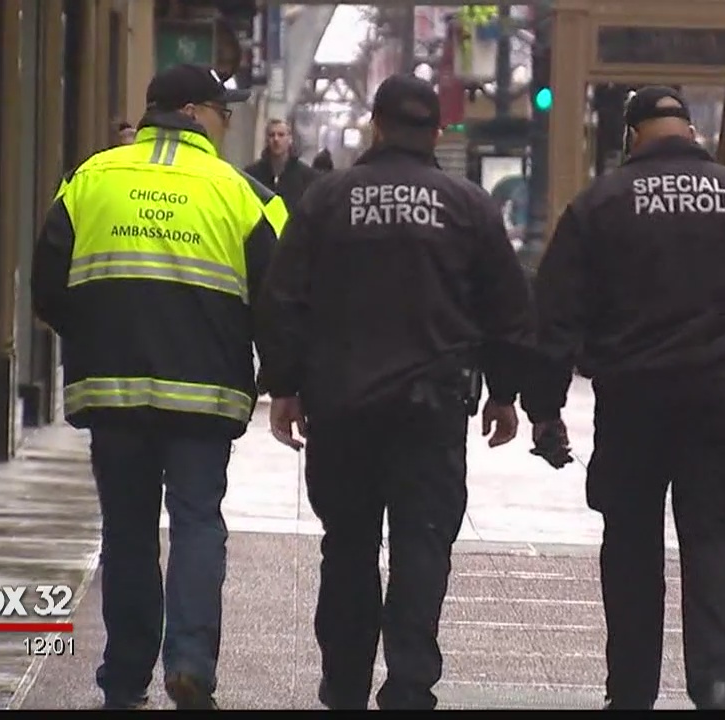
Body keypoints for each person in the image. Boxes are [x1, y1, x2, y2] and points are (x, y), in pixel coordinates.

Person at [523, 86, 725, 710]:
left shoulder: (599, 203)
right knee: (715, 543)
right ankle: (715, 685)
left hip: (631, 403)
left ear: (632, 135)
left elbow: (555, 315)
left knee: (630, 547)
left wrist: (544, 408)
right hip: (718, 402)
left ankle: (630, 692)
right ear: (688, 130)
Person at [255, 74, 535, 710]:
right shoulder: (467, 205)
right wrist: (505, 391)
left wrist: (285, 385)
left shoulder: (328, 199)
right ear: (436, 131)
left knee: (348, 546)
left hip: (342, 405)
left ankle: (345, 683)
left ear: (376, 125)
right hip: (431, 409)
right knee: (422, 544)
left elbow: (284, 297)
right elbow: (509, 308)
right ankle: (409, 683)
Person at [30, 63, 288, 711]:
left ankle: (123, 678)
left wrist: (95, 337)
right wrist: (284, 379)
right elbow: (279, 303)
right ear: (199, 112)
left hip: (111, 391)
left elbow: (47, 287)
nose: (227, 124)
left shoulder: (89, 179)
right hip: (205, 396)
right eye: (224, 113)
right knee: (199, 522)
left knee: (127, 529)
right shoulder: (247, 195)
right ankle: (191, 662)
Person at [244, 118, 320, 213]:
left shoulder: (307, 176)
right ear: (266, 140)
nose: (276, 139)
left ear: (290, 139)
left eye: (281, 135)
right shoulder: (252, 175)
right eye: (272, 135)